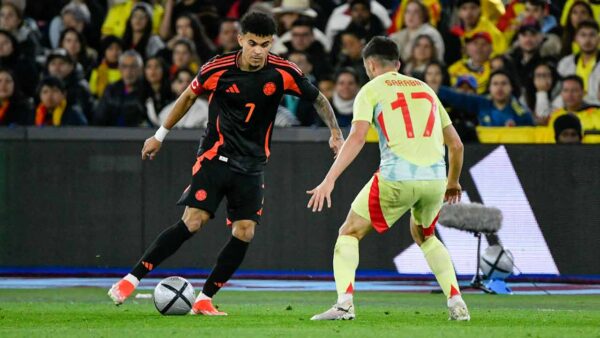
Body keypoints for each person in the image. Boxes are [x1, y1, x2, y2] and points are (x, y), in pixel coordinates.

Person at [107, 12, 343, 316]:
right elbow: (188, 98)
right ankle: (130, 279)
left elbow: (320, 99)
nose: (259, 51)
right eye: (254, 43)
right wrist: (159, 135)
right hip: (215, 157)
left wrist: (335, 132)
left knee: (245, 232)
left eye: (266, 44)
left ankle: (204, 298)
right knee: (194, 221)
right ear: (241, 39)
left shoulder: (283, 71)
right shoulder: (217, 67)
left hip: (252, 165)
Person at [308, 36, 469, 321]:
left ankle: (344, 305)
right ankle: (457, 303)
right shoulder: (426, 90)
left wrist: (329, 179)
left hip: (396, 176)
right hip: (435, 179)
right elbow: (456, 145)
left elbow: (357, 137)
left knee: (349, 232)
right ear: (398, 64)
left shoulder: (370, 90)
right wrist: (453, 182)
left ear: (370, 65)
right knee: (425, 235)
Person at [437, 69, 534, 126]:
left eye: (504, 84)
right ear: (490, 88)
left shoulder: (521, 113)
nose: (499, 88)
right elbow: (459, 98)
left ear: (511, 87)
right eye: (495, 84)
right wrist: (435, 89)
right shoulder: (482, 103)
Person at [93, 50, 146, 126]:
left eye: (133, 66)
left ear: (140, 69)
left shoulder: (147, 89)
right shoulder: (111, 89)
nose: (129, 71)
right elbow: (99, 118)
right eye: (125, 66)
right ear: (120, 69)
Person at [557, 20, 600, 104]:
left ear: (598, 39)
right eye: (583, 35)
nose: (587, 40)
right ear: (576, 39)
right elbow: (559, 92)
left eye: (592, 35)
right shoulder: (565, 63)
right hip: (570, 109)